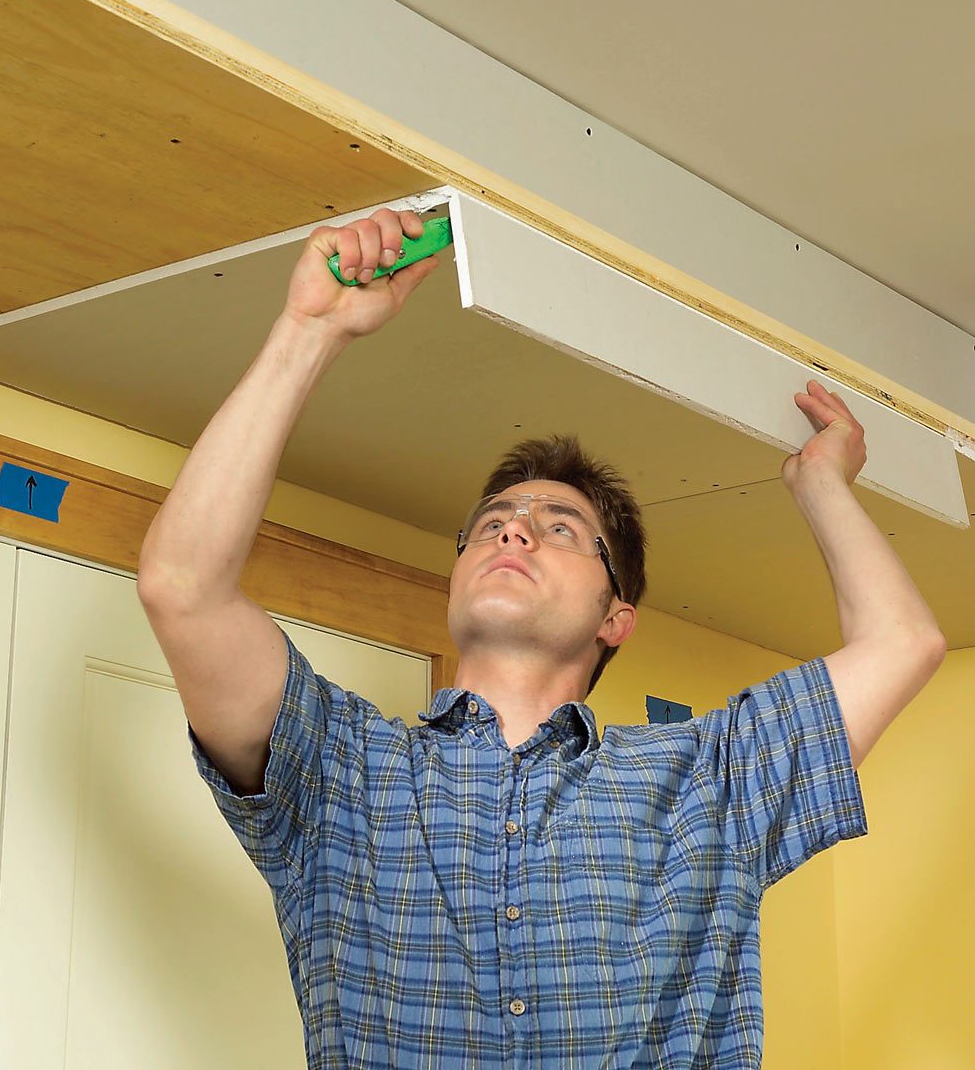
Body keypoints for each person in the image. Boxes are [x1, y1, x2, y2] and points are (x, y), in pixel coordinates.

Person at [137, 208, 870, 1069]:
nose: (514, 533)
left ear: (614, 616)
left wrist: (824, 484)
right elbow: (181, 586)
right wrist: (309, 332)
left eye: (559, 528)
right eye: (492, 524)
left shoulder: (707, 780)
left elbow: (902, 643)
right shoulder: (341, 771)